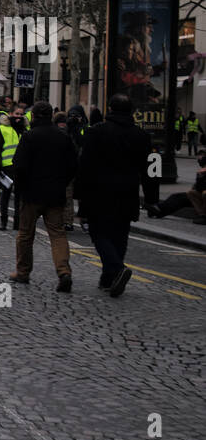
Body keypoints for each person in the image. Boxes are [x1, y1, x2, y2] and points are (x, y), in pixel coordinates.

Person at [76, 94, 153, 296]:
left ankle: (117, 269)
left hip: (98, 191)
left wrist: (79, 194)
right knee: (120, 235)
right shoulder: (142, 136)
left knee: (98, 233)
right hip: (128, 191)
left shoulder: (96, 132)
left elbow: (85, 165)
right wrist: (152, 199)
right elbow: (152, 169)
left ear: (109, 109)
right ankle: (108, 277)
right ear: (131, 111)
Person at [7, 102, 78, 291]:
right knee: (57, 234)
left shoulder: (29, 136)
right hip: (55, 193)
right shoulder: (62, 137)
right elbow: (73, 165)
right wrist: (62, 183)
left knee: (25, 235)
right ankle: (64, 272)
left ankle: (22, 272)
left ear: (34, 117)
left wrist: (20, 189)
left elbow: (19, 166)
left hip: (31, 194)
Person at [147, 150, 206, 224]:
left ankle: (203, 216)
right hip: (199, 194)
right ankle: (159, 210)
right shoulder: (203, 170)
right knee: (178, 197)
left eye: (201, 156)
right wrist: (200, 177)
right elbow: (198, 188)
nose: (199, 158)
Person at [0, 104, 24, 231]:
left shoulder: (24, 130)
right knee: (6, 195)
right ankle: (3, 222)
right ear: (10, 114)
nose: (19, 117)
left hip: (20, 167)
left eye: (21, 114)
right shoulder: (3, 130)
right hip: (7, 167)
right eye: (17, 114)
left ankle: (17, 223)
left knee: (19, 197)